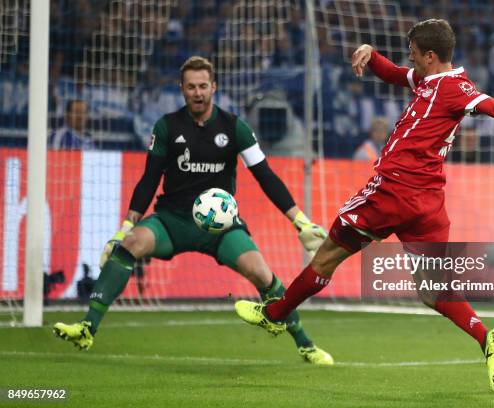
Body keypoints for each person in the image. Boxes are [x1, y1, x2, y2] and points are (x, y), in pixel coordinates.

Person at [234, 19, 494, 391]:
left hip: (394, 191)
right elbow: (393, 73)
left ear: (431, 56)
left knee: (326, 256)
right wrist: (371, 55)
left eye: (415, 54)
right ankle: (487, 339)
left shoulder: (455, 87)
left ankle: (276, 314)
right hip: (428, 204)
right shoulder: (430, 80)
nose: (411, 60)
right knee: (431, 289)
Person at [53, 56, 333, 365]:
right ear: (182, 89)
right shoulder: (168, 127)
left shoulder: (234, 127)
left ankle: (306, 344)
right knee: (131, 244)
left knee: (261, 273)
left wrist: (300, 221)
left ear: (213, 87)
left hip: (222, 227)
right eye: (191, 87)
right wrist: (124, 228)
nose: (197, 93)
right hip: (173, 220)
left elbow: (265, 175)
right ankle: (86, 327)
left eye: (203, 86)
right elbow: (149, 179)